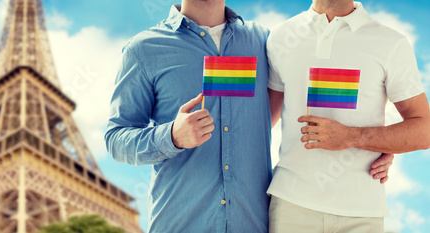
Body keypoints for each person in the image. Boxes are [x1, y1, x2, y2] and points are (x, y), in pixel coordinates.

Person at [106, 0, 392, 232]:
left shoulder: (265, 41)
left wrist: (370, 142)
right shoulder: (144, 49)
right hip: (181, 222)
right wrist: (171, 136)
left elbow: (313, 92)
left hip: (252, 223)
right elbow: (116, 138)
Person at [266, 0, 430, 232]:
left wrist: (354, 137)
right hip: (291, 207)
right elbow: (261, 123)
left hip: (362, 213)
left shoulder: (390, 42)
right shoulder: (281, 36)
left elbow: (424, 131)